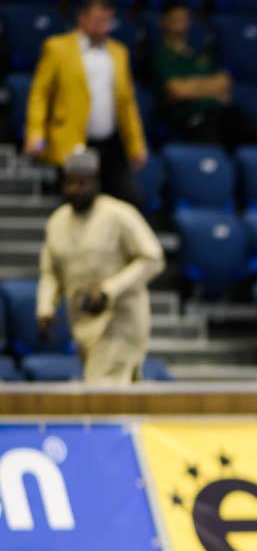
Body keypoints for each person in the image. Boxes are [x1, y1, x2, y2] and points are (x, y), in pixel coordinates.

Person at [37, 149, 163, 385]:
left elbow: (153, 258)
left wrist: (109, 290)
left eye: (82, 183)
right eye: (70, 183)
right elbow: (50, 272)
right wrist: (46, 308)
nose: (75, 189)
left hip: (120, 319)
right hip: (83, 320)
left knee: (102, 391)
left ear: (96, 182)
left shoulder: (119, 215)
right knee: (120, 393)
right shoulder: (57, 222)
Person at [25, 0, 147, 207]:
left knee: (130, 200)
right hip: (72, 140)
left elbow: (127, 103)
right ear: (82, 19)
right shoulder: (58, 48)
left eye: (108, 21)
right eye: (98, 21)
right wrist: (35, 134)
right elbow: (40, 94)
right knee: (75, 204)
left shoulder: (119, 52)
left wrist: (136, 144)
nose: (103, 27)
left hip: (109, 143)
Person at [152, 1, 251, 148]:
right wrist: (209, 87)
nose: (181, 25)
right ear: (163, 22)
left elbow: (225, 82)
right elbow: (177, 91)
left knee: (247, 128)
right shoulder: (160, 56)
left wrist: (191, 85)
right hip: (191, 117)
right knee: (208, 136)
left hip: (221, 113)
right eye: (175, 19)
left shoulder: (200, 55)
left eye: (184, 19)